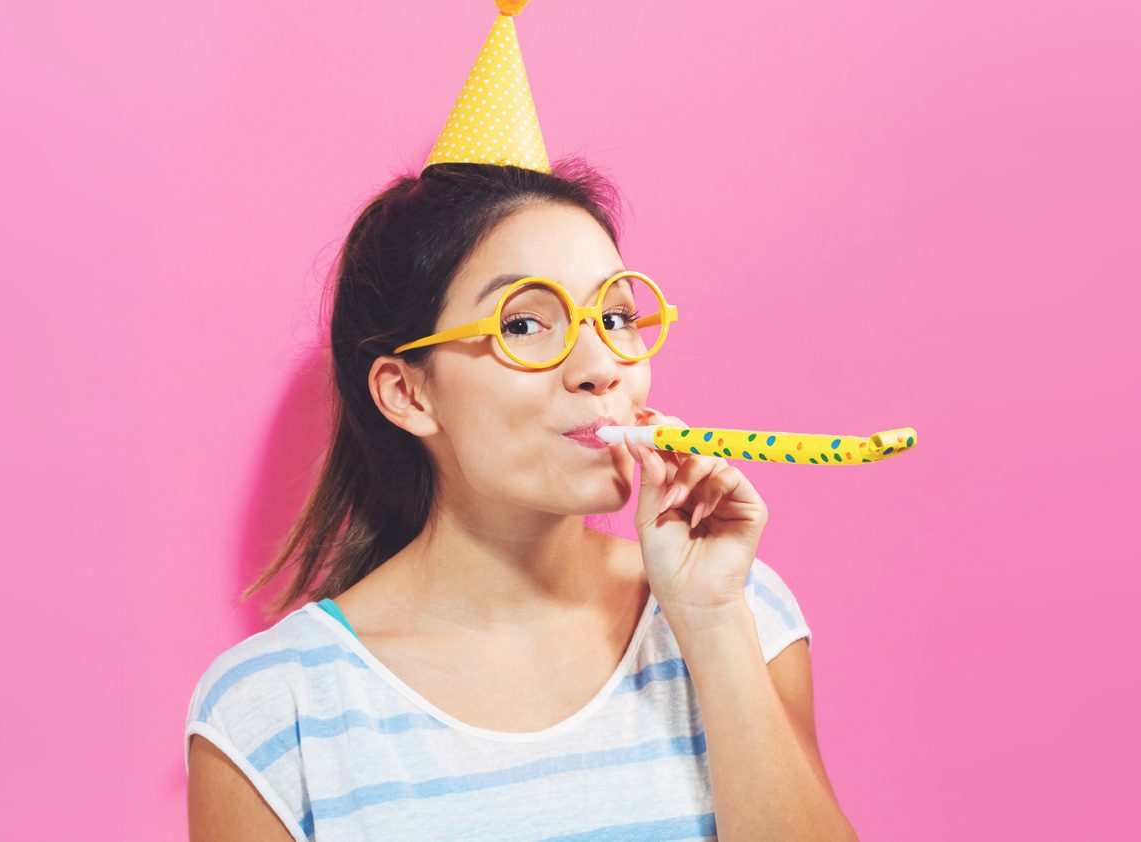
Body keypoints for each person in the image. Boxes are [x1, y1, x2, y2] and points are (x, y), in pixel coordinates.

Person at [185, 3, 855, 839]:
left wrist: (714, 626)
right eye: (526, 324)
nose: (602, 366)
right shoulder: (271, 713)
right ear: (407, 394)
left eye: (614, 317)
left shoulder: (743, 611)